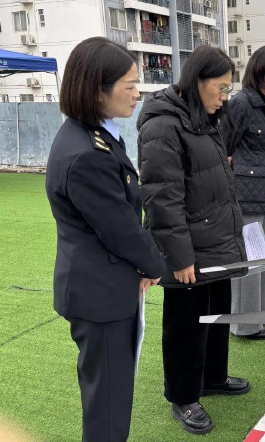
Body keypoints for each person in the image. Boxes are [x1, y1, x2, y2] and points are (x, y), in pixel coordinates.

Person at [45, 37, 165, 441]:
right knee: (108, 406)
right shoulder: (87, 153)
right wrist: (154, 266)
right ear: (98, 89)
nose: (138, 92)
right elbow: (120, 228)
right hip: (101, 295)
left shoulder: (95, 134)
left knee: (109, 395)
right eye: (129, 84)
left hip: (104, 284)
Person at [137, 46, 250, 435]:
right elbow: (161, 198)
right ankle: (184, 396)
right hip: (188, 249)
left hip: (215, 240)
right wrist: (180, 257)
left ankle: (213, 378)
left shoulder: (204, 118)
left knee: (217, 314)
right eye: (220, 88)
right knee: (186, 324)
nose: (224, 97)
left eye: (227, 90)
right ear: (196, 81)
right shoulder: (163, 125)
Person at [224, 45, 265, 340]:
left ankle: (258, 319)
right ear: (262, 71)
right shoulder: (241, 104)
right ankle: (244, 325)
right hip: (246, 196)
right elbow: (223, 146)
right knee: (250, 263)